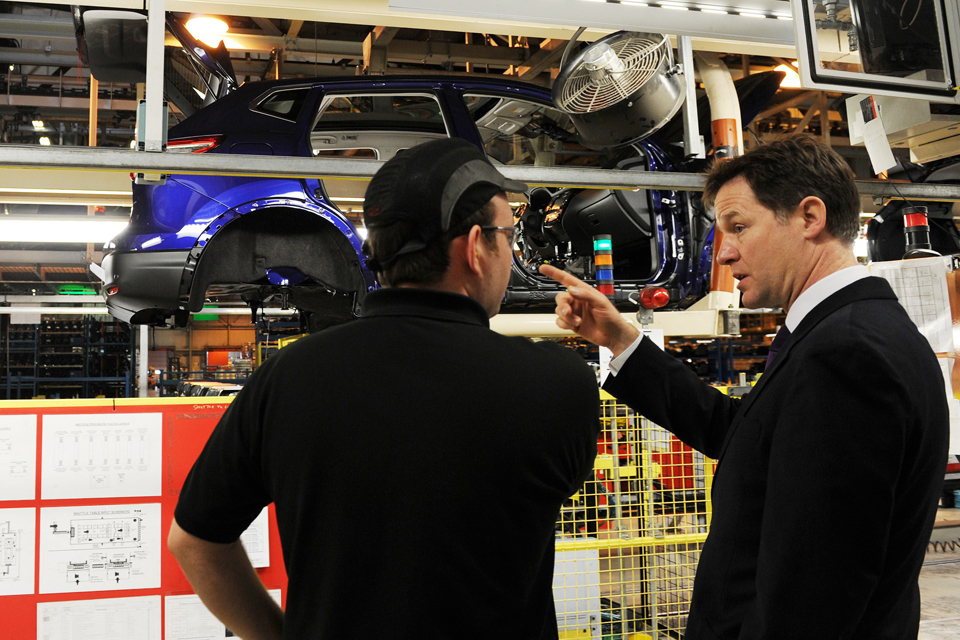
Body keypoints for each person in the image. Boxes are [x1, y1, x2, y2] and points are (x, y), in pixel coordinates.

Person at [168, 137, 601, 640]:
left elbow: (193, 541)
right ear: (476, 246)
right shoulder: (556, 382)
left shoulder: (287, 377)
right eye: (507, 235)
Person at [540, 135, 949, 639]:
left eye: (738, 227)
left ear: (809, 217)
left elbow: (814, 594)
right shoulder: (845, 330)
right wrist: (622, 341)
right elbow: (748, 439)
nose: (724, 252)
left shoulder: (845, 354)